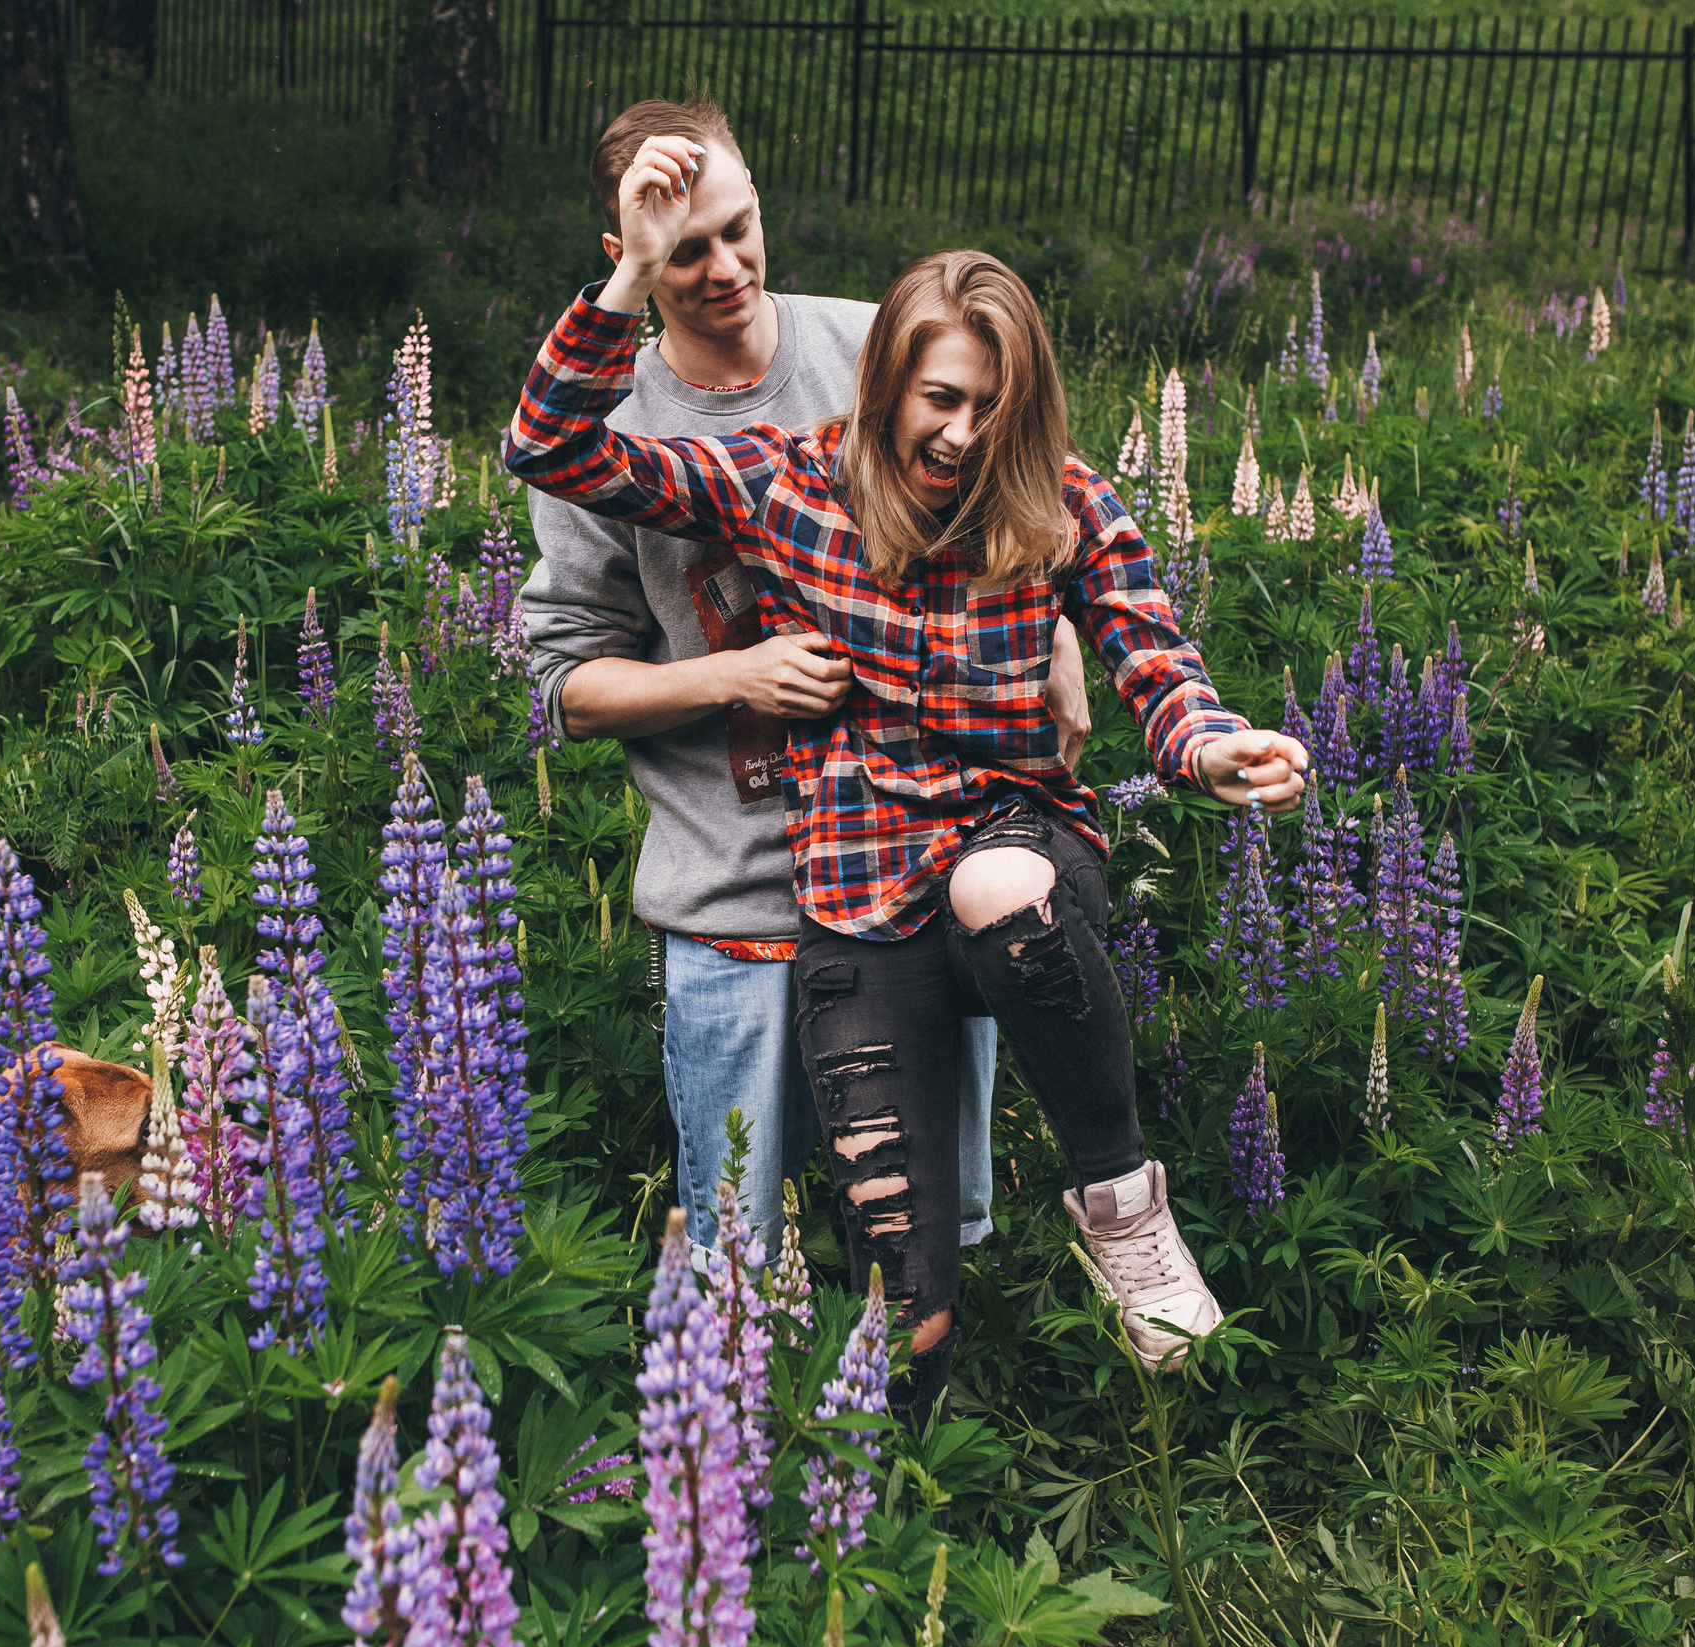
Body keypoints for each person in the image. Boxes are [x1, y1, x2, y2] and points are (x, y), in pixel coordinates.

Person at [506, 134, 1309, 1413]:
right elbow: (554, 450)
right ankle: (895, 1500)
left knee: (1003, 889)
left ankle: (1122, 1207)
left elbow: (1154, 660)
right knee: (908, 1290)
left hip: (1009, 839)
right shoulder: (788, 490)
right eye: (940, 399)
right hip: (857, 886)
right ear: (887, 390)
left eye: (993, 405)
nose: (964, 432)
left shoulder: (1062, 502)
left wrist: (1213, 750)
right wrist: (627, 280)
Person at [520, 97, 1096, 1271]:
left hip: (914, 874)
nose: (725, 267)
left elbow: (1021, 504)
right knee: (741, 1248)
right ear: (628, 255)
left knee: (930, 1237)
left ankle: (919, 1430)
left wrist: (1061, 630)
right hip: (733, 898)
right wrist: (733, 675)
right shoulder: (612, 414)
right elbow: (563, 688)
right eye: (684, 249)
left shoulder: (871, 349)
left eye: (740, 228)